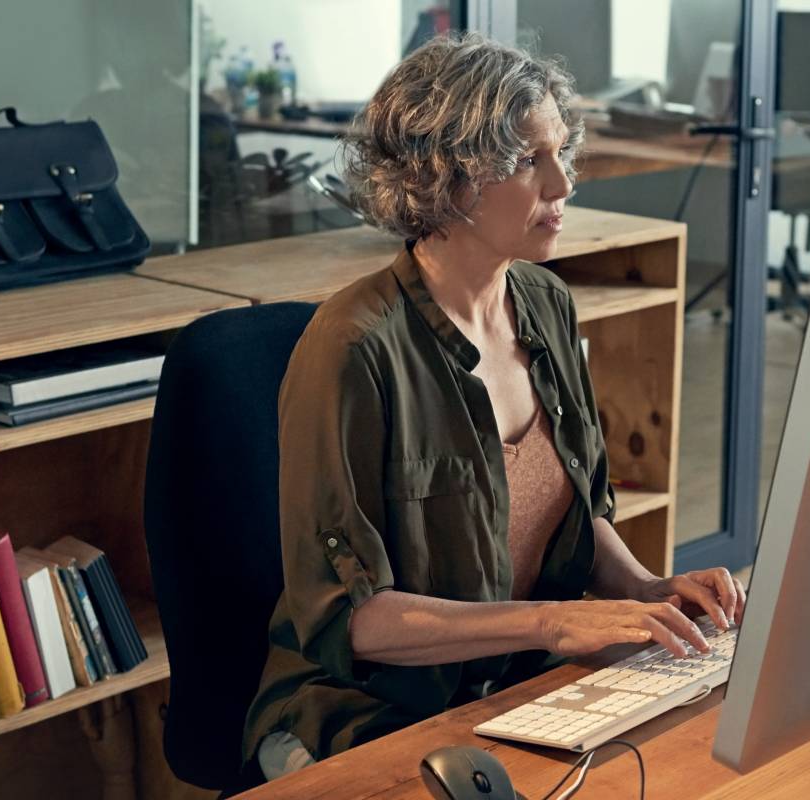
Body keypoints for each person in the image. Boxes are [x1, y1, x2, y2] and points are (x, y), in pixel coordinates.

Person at [243, 32, 745, 781]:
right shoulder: (352, 348)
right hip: (362, 709)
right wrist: (553, 620)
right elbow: (352, 617)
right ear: (444, 179)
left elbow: (578, 507)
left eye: (559, 153)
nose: (562, 185)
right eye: (525, 161)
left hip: (509, 684)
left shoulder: (543, 301)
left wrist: (645, 589)